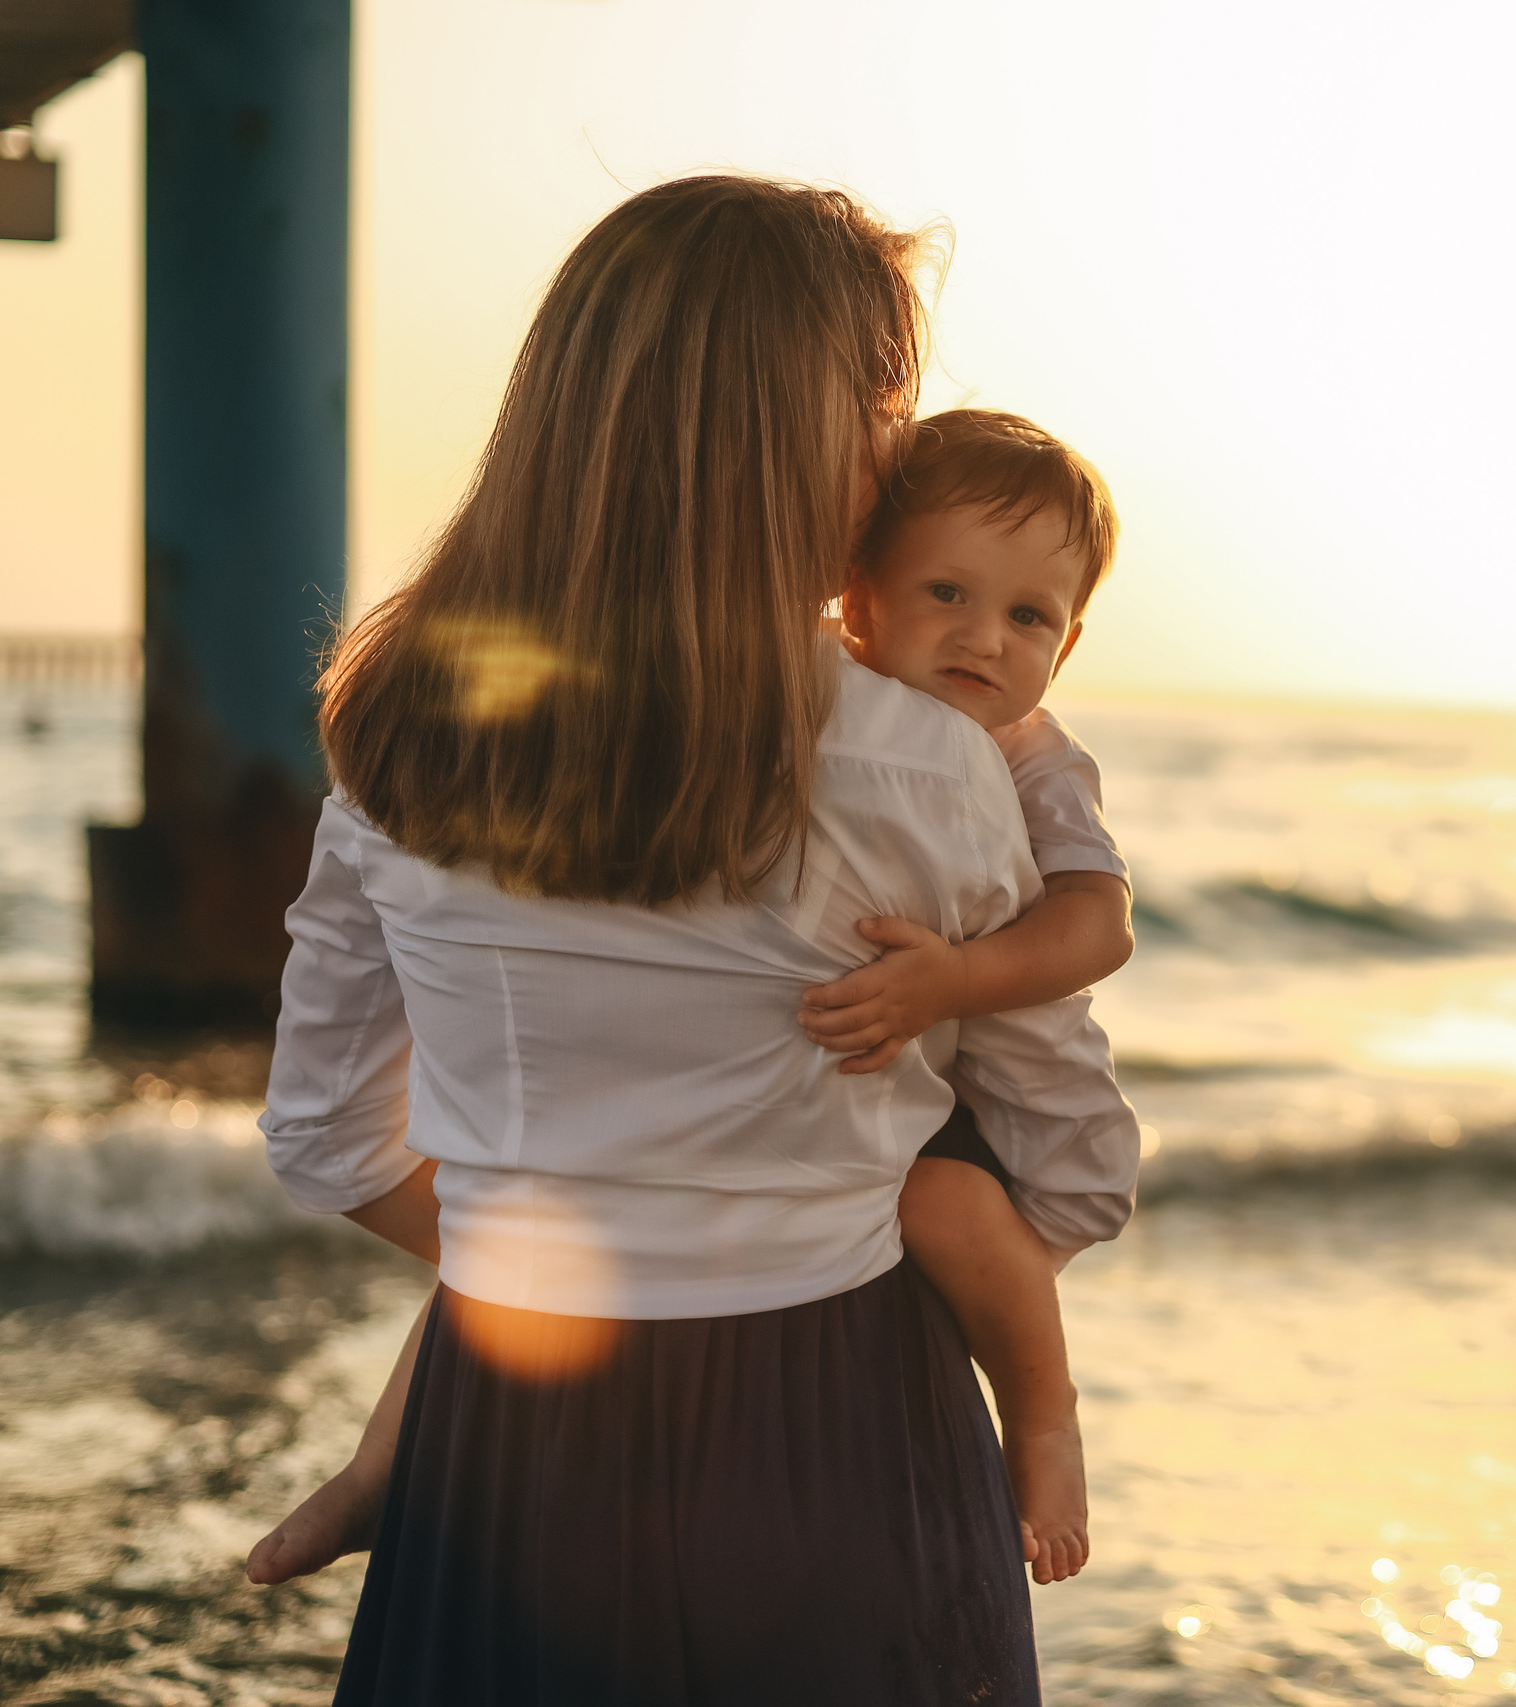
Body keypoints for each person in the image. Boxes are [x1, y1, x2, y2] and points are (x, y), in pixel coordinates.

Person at [251, 176, 1140, 1706]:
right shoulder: (930, 764)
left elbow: (327, 1136)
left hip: (504, 1431)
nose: (901, 453)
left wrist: (572, 1242)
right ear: (797, 434)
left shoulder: (399, 736)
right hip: (842, 1418)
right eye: (884, 403)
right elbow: (1068, 1161)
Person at [805, 407, 1134, 1584]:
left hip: (1026, 1129)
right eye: (946, 592)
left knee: (938, 1203)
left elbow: (1098, 924)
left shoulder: (1032, 756)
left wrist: (953, 981)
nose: (983, 638)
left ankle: (1043, 1419)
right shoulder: (825, 691)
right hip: (932, 1097)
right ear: (859, 596)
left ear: (1066, 644)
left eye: (1027, 617)